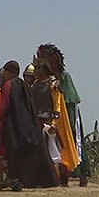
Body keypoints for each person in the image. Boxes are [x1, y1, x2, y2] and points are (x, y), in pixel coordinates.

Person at [0, 61, 58, 189]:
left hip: (13, 127)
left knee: (11, 153)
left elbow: (4, 105)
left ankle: (14, 179)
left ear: (9, 72)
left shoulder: (9, 85)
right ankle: (24, 180)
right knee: (26, 155)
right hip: (27, 126)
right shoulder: (25, 85)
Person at [37, 43, 89, 186]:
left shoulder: (64, 77)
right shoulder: (45, 80)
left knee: (75, 140)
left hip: (67, 112)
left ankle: (82, 174)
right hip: (54, 115)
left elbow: (68, 100)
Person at [32, 56, 80, 185]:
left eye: (37, 68)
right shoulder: (35, 84)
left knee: (53, 154)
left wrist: (54, 123)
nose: (35, 71)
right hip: (37, 123)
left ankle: (57, 179)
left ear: (43, 69)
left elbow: (57, 106)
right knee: (40, 153)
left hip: (48, 123)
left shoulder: (53, 84)